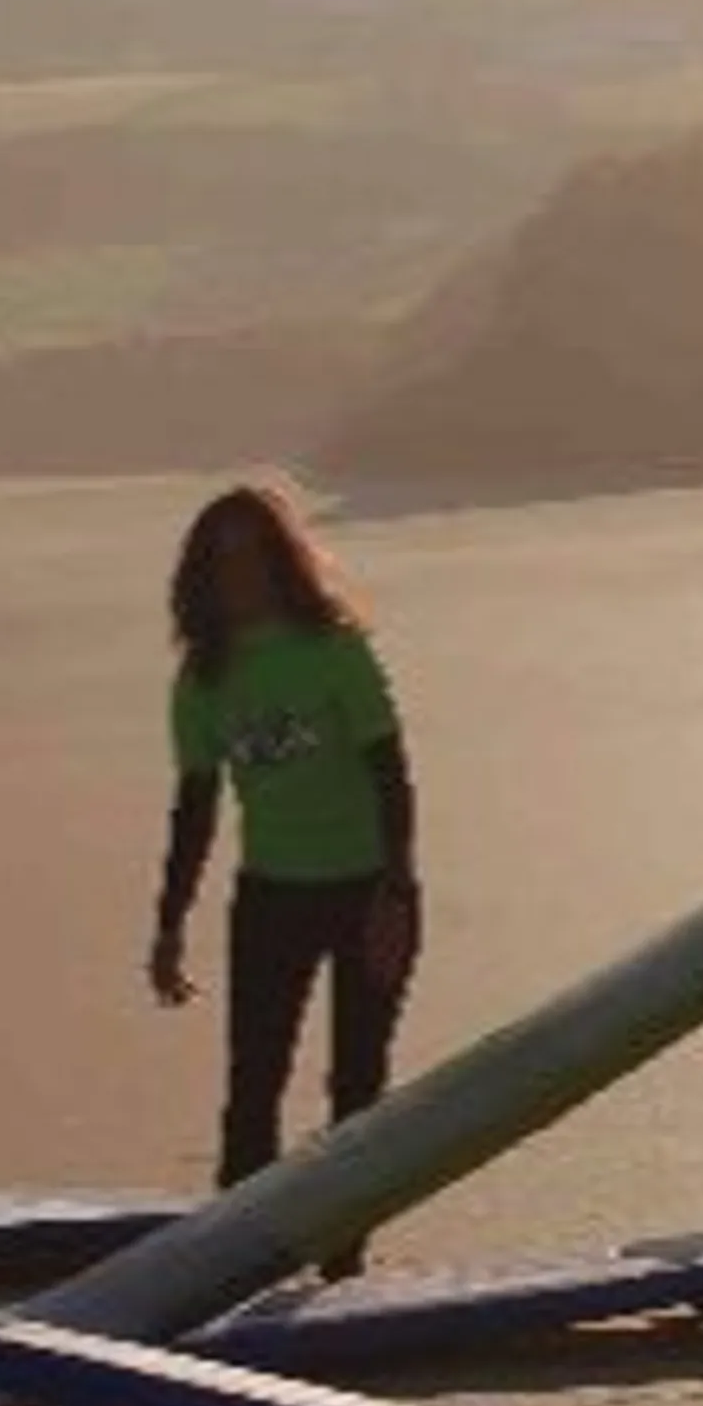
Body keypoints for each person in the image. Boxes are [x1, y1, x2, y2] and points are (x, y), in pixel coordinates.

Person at [147, 482, 421, 1269]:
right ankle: (236, 1262)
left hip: (367, 886)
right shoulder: (202, 681)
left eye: (254, 557)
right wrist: (170, 925)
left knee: (356, 1090)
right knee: (253, 1085)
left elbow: (391, 776)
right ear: (201, 576)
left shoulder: (335, 647)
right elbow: (193, 811)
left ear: (282, 561)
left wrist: (395, 894)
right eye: (222, 562)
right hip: (272, 894)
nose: (240, 576)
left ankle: (342, 1260)